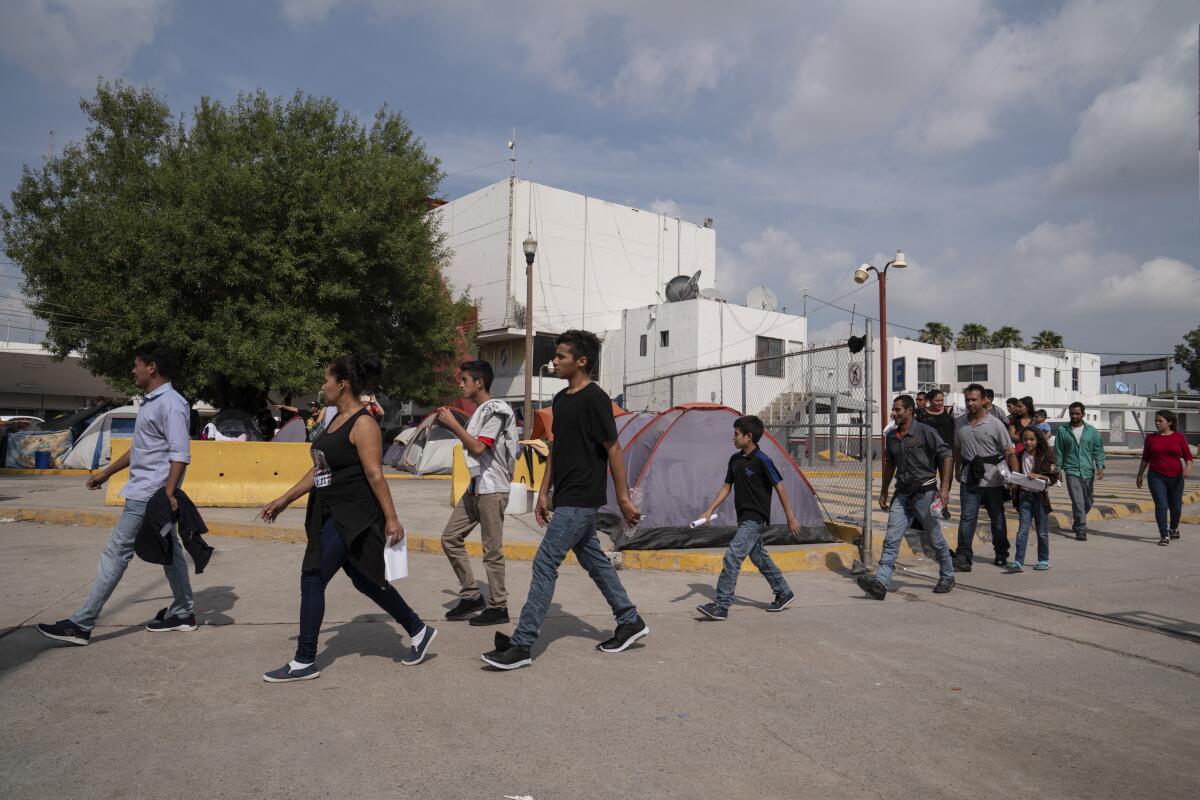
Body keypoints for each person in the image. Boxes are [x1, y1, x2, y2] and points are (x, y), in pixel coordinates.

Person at [259, 354, 435, 682]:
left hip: (352, 513)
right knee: (363, 578)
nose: (322, 385)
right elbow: (320, 469)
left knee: (312, 578)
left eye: (326, 379)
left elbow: (375, 474)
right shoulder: (332, 419)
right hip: (327, 509)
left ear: (343, 384)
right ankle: (418, 629)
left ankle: (304, 659)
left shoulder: (364, 423)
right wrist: (285, 499)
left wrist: (391, 519)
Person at [481, 330, 647, 670]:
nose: (554, 361)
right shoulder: (560, 399)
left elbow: (612, 448)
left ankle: (523, 643)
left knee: (545, 563)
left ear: (581, 361)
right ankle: (629, 621)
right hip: (565, 495)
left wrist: (623, 497)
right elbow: (556, 448)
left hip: (583, 497)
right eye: (555, 356)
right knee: (594, 561)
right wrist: (543, 492)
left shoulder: (595, 399)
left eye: (560, 357)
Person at [37, 343, 197, 646]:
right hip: (147, 490)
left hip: (150, 494)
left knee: (116, 553)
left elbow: (180, 453)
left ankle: (81, 624)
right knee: (170, 552)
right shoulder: (151, 402)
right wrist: (106, 473)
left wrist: (169, 493)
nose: (133, 370)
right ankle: (184, 612)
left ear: (152, 367)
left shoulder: (171, 403)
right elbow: (140, 449)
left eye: (136, 364)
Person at [694, 415, 799, 620]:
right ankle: (784, 592)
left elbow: (779, 486)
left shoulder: (763, 460)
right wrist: (709, 510)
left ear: (749, 437)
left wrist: (790, 517)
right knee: (759, 557)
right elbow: (726, 486)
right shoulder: (735, 460)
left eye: (736, 435)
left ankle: (722, 605)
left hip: (755, 517)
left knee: (732, 556)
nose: (733, 438)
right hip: (743, 517)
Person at [439, 360, 519, 626]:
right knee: (450, 538)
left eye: (464, 380)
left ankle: (499, 605)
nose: (461, 384)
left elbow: (478, 449)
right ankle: (472, 595)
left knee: (491, 550)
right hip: (476, 487)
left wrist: (453, 425)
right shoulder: (481, 411)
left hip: (492, 489)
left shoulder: (497, 410)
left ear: (479, 382)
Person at [857, 395, 954, 601]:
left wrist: (944, 488)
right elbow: (890, 465)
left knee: (935, 538)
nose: (894, 413)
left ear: (910, 411)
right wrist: (884, 491)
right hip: (902, 494)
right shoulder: (892, 436)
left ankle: (948, 575)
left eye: (898, 410)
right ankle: (881, 583)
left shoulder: (927, 432)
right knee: (891, 539)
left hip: (925, 494)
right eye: (893, 409)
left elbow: (946, 455)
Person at [953, 383, 1019, 571]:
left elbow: (1009, 452)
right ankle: (963, 556)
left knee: (997, 518)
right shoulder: (959, 423)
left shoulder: (995, 424)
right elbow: (957, 449)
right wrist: (958, 468)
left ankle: (1001, 553)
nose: (970, 403)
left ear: (984, 400)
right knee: (967, 518)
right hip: (969, 479)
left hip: (993, 480)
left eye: (974, 399)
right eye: (967, 400)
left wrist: (1015, 479)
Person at [1136, 410, 1193, 546]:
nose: (1157, 423)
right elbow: (1145, 458)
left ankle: (1173, 528)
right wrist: (1139, 474)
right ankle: (1164, 534)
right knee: (1161, 505)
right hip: (1156, 475)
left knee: (1176, 507)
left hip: (1176, 477)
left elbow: (1188, 457)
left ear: (1170, 422)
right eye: (1156, 420)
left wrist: (1188, 469)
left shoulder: (1179, 437)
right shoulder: (1151, 438)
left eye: (1160, 421)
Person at [1006, 427, 1059, 572]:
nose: (1028, 442)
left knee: (1042, 531)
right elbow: (1013, 473)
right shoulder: (1020, 455)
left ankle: (1043, 559)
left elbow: (1054, 477)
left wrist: (1039, 476)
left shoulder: (1046, 455)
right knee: (1022, 530)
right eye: (1025, 440)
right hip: (1025, 497)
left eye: (1031, 439)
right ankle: (1018, 561)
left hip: (1040, 498)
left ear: (1038, 440)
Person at [1055, 402, 1104, 541]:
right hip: (1071, 470)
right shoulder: (1063, 430)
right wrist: (1058, 468)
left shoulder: (1092, 431)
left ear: (1083, 414)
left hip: (1088, 470)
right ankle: (1081, 529)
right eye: (1072, 413)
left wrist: (1100, 466)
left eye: (1077, 413)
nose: (1074, 416)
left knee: (1088, 501)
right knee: (1078, 502)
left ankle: (1077, 521)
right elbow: (1058, 451)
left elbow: (1098, 450)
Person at [917, 388, 955, 520]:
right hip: (927, 453)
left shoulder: (950, 411)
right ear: (930, 401)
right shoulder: (920, 414)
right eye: (936, 401)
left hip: (946, 453)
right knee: (928, 480)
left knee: (947, 480)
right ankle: (928, 505)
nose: (940, 403)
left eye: (941, 400)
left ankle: (943, 506)